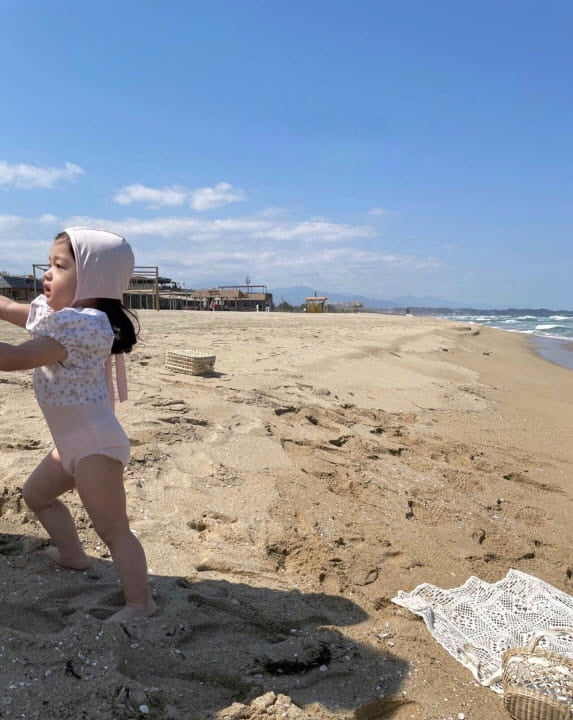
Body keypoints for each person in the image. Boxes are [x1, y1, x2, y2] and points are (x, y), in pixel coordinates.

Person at [0, 227, 156, 623]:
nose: (46, 274)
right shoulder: (60, 315)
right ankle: (73, 555)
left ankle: (141, 603)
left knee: (114, 530)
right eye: (49, 264)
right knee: (37, 496)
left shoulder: (84, 325)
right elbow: (11, 309)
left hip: (95, 448)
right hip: (71, 445)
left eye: (60, 266)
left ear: (92, 279)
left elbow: (14, 359)